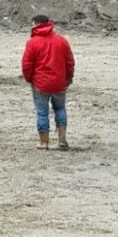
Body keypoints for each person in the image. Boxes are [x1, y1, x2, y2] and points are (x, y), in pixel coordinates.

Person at [21, 14, 75, 151]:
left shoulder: (32, 42)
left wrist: (28, 79)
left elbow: (27, 65)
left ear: (36, 25)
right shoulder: (62, 41)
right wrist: (69, 78)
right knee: (60, 108)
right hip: (59, 82)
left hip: (40, 83)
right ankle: (62, 139)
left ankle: (44, 142)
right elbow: (70, 62)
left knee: (42, 112)